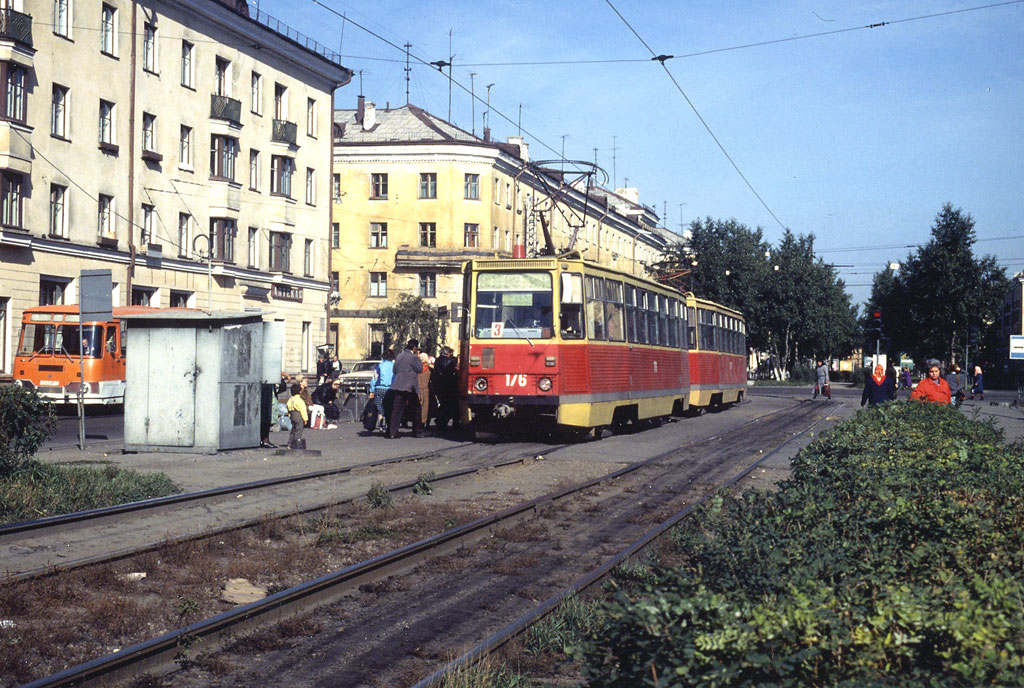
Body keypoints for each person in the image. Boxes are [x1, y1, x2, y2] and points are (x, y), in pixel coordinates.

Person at [388, 339, 425, 438]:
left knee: (396, 410)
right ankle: (417, 431)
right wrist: (418, 358)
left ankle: (393, 432)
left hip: (398, 385)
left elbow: (394, 370)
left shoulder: (399, 356)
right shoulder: (413, 357)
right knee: (416, 409)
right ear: (414, 348)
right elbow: (420, 369)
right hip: (410, 386)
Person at [432, 346, 460, 431]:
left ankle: (440, 421)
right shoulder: (449, 361)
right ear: (448, 353)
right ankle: (442, 422)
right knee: (450, 405)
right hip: (448, 386)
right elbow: (450, 372)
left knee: (443, 404)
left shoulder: (437, 360)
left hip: (439, 386)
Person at [371, 349, 396, 433]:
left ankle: (381, 426)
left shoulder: (379, 366)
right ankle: (389, 425)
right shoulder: (394, 366)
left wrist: (372, 390)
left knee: (380, 407)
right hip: (390, 388)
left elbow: (374, 378)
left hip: (379, 388)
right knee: (389, 407)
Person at [286, 383, 308, 449]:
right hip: (298, 415)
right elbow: (303, 410)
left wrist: (290, 416)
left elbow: (288, 409)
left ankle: (289, 444)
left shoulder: (290, 400)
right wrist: (305, 419)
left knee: (293, 430)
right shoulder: (299, 400)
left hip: (292, 415)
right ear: (300, 391)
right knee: (299, 430)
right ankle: (296, 443)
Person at [418, 352, 433, 429]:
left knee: (418, 407)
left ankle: (417, 423)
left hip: (418, 389)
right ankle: (423, 423)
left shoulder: (417, 368)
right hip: (426, 389)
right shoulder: (429, 369)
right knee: (425, 408)